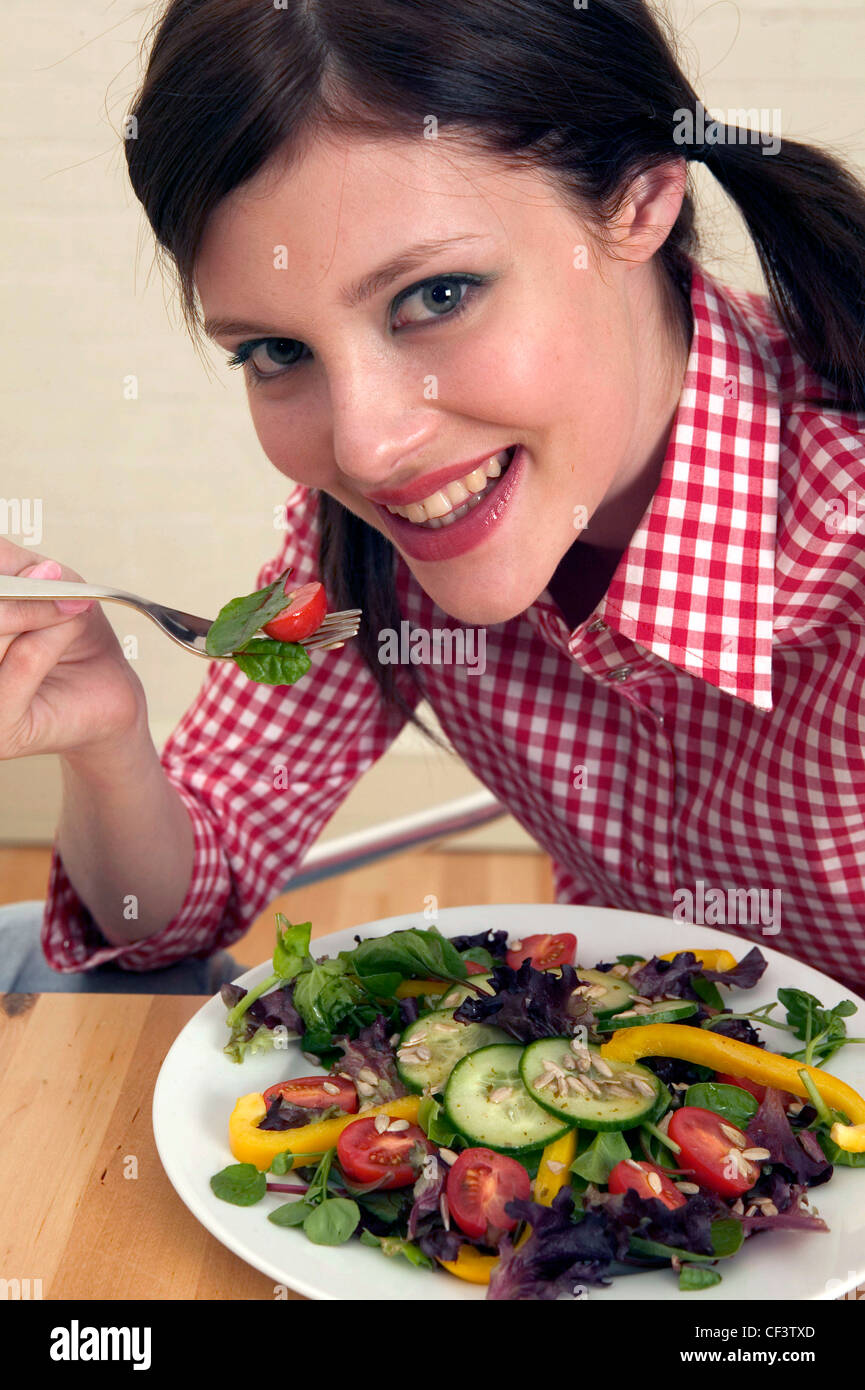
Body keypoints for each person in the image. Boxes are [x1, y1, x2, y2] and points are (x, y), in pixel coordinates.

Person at [2, 0, 864, 995]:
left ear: (639, 202)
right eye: (276, 352)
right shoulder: (362, 541)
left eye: (437, 296)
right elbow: (166, 921)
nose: (366, 447)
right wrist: (106, 738)